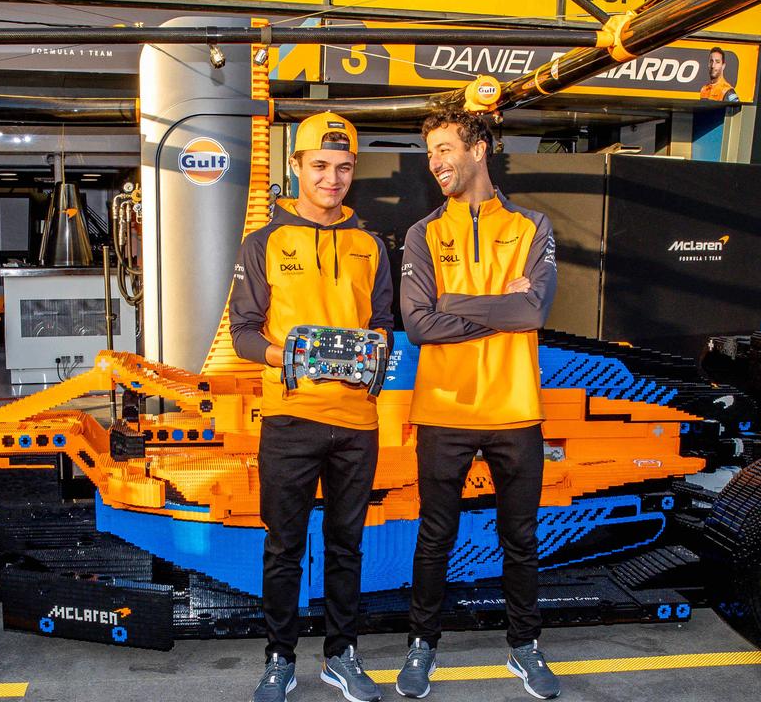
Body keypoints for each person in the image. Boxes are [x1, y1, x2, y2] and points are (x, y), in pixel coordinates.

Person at [394, 110, 559, 700]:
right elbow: (418, 324)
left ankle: (525, 647)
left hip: (516, 409)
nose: (435, 162)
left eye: (444, 148)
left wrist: (455, 304)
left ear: (480, 148)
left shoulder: (532, 225)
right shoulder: (422, 233)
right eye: (429, 152)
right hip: (442, 410)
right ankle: (422, 647)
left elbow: (533, 313)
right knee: (434, 536)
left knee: (521, 538)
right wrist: (497, 306)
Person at [229, 111, 393, 702]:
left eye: (344, 167)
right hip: (290, 420)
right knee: (284, 545)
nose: (333, 178)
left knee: (347, 546)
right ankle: (279, 659)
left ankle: (341, 656)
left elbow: (382, 326)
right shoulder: (265, 242)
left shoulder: (371, 245)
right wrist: (288, 355)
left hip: (356, 424)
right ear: (295, 166)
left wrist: (375, 347)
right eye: (320, 165)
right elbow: (244, 332)